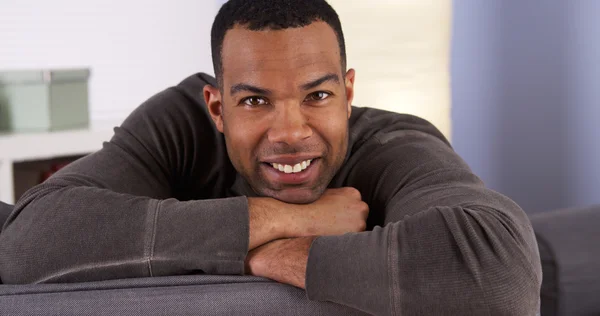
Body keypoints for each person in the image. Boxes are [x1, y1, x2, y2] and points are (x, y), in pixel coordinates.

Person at [0, 0, 541, 314]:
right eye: (255, 100)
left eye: (318, 96)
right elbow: (26, 243)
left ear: (349, 95)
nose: (290, 132)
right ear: (216, 106)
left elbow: (500, 272)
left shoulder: (393, 143)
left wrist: (271, 256)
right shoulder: (177, 125)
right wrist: (285, 222)